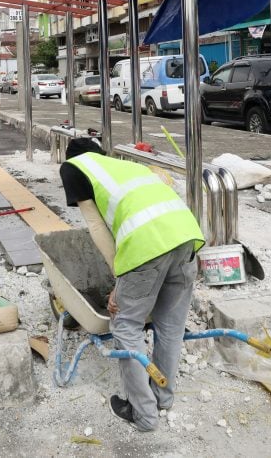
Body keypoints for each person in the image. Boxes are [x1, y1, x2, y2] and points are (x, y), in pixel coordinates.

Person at [59, 137, 204, 432]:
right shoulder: (125, 166)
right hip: (187, 237)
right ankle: (163, 397)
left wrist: (119, 280)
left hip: (148, 245)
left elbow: (97, 227)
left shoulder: (74, 166)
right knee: (170, 325)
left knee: (125, 324)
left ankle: (143, 414)